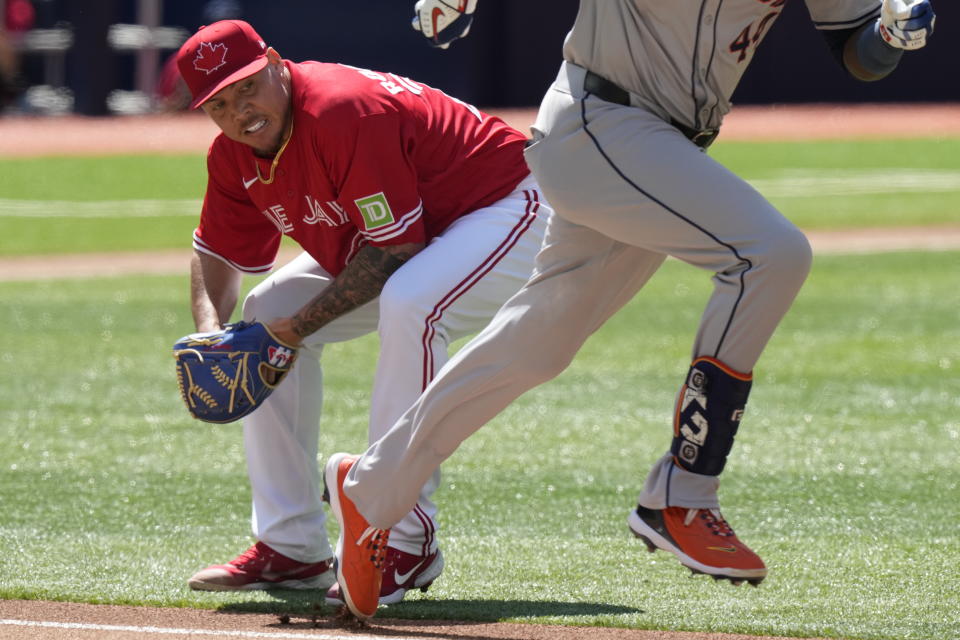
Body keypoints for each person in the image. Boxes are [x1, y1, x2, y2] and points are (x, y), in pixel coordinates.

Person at [324, 0, 937, 620]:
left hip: (658, 149)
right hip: (601, 121)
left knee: (537, 344)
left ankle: (370, 488)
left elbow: (859, 55)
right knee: (771, 255)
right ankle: (682, 492)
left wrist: (890, 33)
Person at [173, 19, 551, 604]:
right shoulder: (234, 154)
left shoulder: (341, 111)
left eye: (248, 87)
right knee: (263, 308)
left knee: (413, 304)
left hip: (507, 204)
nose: (239, 110)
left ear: (275, 62)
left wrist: (289, 333)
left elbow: (396, 253)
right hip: (409, 234)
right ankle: (291, 546)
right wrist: (211, 334)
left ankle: (403, 537)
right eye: (219, 103)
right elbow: (217, 251)